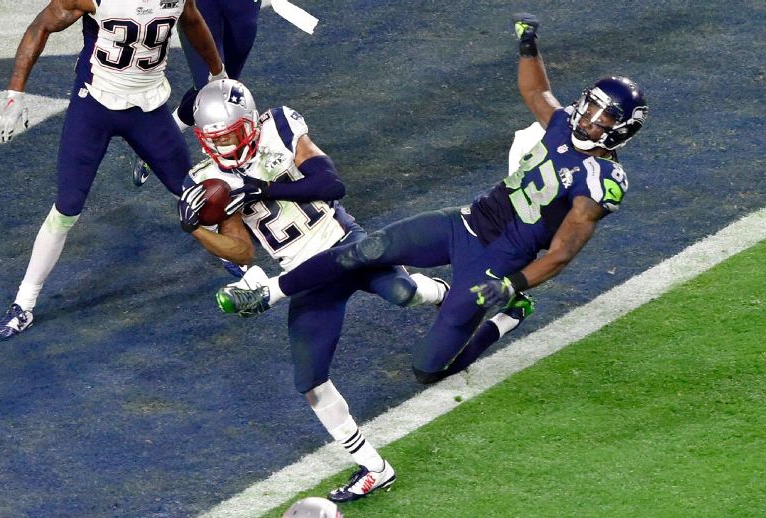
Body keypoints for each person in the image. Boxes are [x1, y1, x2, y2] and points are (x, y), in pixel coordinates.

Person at [216, 13, 649, 385]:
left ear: (622, 130)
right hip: (466, 221)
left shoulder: (601, 182)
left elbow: (561, 254)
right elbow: (537, 93)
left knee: (427, 370)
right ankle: (270, 293)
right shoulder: (563, 123)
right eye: (590, 106)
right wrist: (527, 46)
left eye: (603, 117)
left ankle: (506, 319)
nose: (588, 118)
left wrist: (510, 286)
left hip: (497, 261)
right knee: (363, 249)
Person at [177, 79, 450, 502]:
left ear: (250, 123)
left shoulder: (280, 126)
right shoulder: (208, 177)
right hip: (304, 273)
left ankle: (448, 295)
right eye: (215, 140)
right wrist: (196, 228)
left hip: (345, 242)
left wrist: (264, 188)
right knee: (310, 380)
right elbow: (242, 250)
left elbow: (331, 185)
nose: (225, 147)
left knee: (402, 292)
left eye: (231, 135)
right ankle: (374, 467)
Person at [0, 0, 225, 340]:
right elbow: (41, 25)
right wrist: (15, 93)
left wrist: (217, 73)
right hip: (94, 105)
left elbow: (192, 21)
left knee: (193, 192)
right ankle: (23, 303)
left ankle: (234, 256)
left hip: (148, 107)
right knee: (67, 207)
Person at [131, 0, 262, 186]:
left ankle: (156, 141)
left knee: (226, 87)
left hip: (243, 5)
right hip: (202, 5)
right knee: (210, 91)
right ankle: (159, 145)